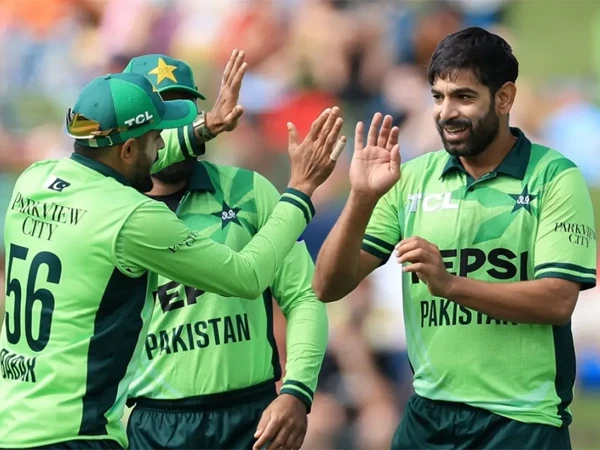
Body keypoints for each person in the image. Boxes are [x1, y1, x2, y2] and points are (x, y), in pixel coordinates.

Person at [0, 68, 345, 448]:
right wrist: (300, 190)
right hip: (78, 432)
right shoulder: (131, 215)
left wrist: (206, 127)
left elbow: (130, 156)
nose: (163, 146)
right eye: (155, 137)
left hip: (15, 425)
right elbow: (246, 276)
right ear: (129, 149)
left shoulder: (32, 181)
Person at [312, 26, 597, 450]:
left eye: (464, 97)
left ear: (504, 98)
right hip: (428, 418)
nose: (446, 112)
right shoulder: (411, 178)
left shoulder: (554, 177)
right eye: (438, 97)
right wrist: (361, 198)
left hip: (521, 420)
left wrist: (450, 285)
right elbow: (328, 286)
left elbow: (557, 301)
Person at [122, 54, 329, 450]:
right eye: (160, 114)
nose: (173, 126)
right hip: (156, 421)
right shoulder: (113, 210)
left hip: (252, 416)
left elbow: (304, 295)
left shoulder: (249, 190)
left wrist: (297, 390)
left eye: (184, 112)